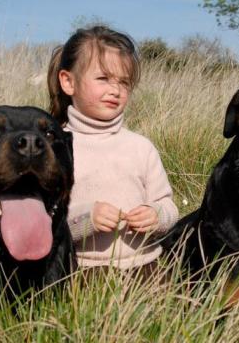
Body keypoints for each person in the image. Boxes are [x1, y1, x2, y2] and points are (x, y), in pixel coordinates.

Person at [47, 25, 178, 275]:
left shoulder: (141, 147)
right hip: (80, 270)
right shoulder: (56, 148)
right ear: (68, 82)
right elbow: (45, 222)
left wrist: (156, 216)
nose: (115, 90)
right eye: (103, 78)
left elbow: (168, 206)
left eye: (124, 82)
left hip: (145, 266)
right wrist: (86, 219)